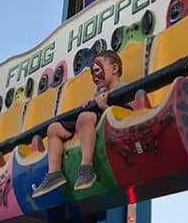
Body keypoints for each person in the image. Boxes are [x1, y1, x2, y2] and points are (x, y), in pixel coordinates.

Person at [32, 50, 126, 197]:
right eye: (92, 74)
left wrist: (103, 107)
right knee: (53, 128)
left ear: (114, 69)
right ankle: (54, 173)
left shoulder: (124, 89)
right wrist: (91, 104)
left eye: (97, 70)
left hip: (106, 122)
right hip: (89, 121)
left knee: (85, 117)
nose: (94, 76)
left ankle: (87, 167)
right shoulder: (97, 96)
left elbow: (128, 116)